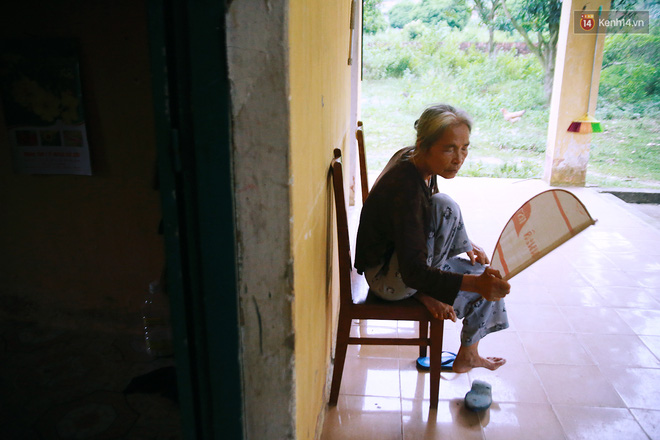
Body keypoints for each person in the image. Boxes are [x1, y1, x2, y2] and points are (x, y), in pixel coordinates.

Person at [354, 103, 510, 373]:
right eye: (449, 148)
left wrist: (467, 246)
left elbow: (422, 220)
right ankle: (427, 300)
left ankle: (468, 353)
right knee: (480, 288)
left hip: (396, 262)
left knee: (482, 272)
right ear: (423, 144)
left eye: (464, 148)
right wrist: (473, 284)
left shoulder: (412, 160)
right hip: (386, 280)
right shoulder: (407, 189)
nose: (458, 158)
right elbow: (414, 270)